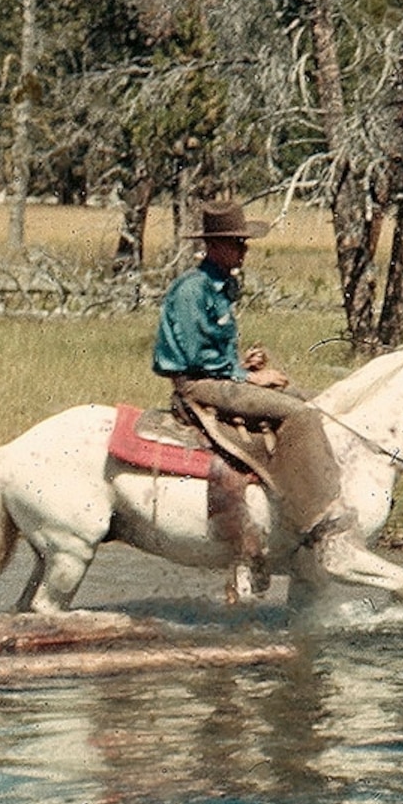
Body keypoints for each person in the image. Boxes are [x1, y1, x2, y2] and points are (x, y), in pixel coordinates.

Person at [152, 199, 356, 574]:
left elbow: (211, 348)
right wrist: (249, 378)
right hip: (197, 387)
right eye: (236, 244)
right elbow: (196, 356)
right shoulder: (193, 290)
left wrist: (242, 363)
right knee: (298, 412)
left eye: (244, 244)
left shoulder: (221, 285)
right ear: (214, 246)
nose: (244, 250)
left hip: (215, 376)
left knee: (311, 399)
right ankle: (312, 511)